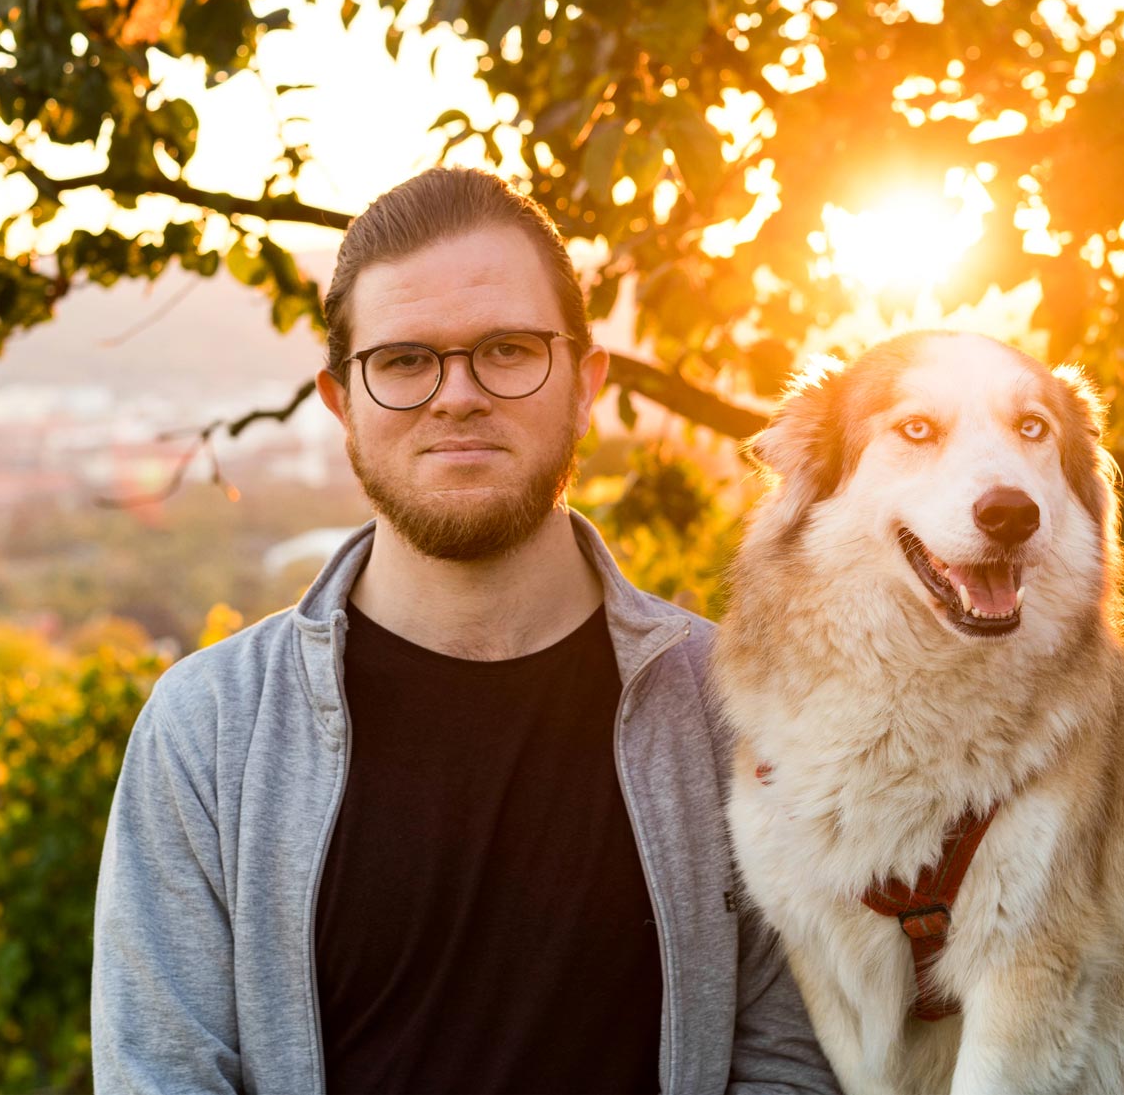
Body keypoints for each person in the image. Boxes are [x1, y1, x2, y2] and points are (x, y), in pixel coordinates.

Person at [90, 166, 837, 1095]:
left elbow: (789, 1057)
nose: (456, 395)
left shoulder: (736, 708)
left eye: (508, 349)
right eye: (404, 360)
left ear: (585, 382)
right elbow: (164, 1075)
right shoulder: (208, 732)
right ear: (341, 403)